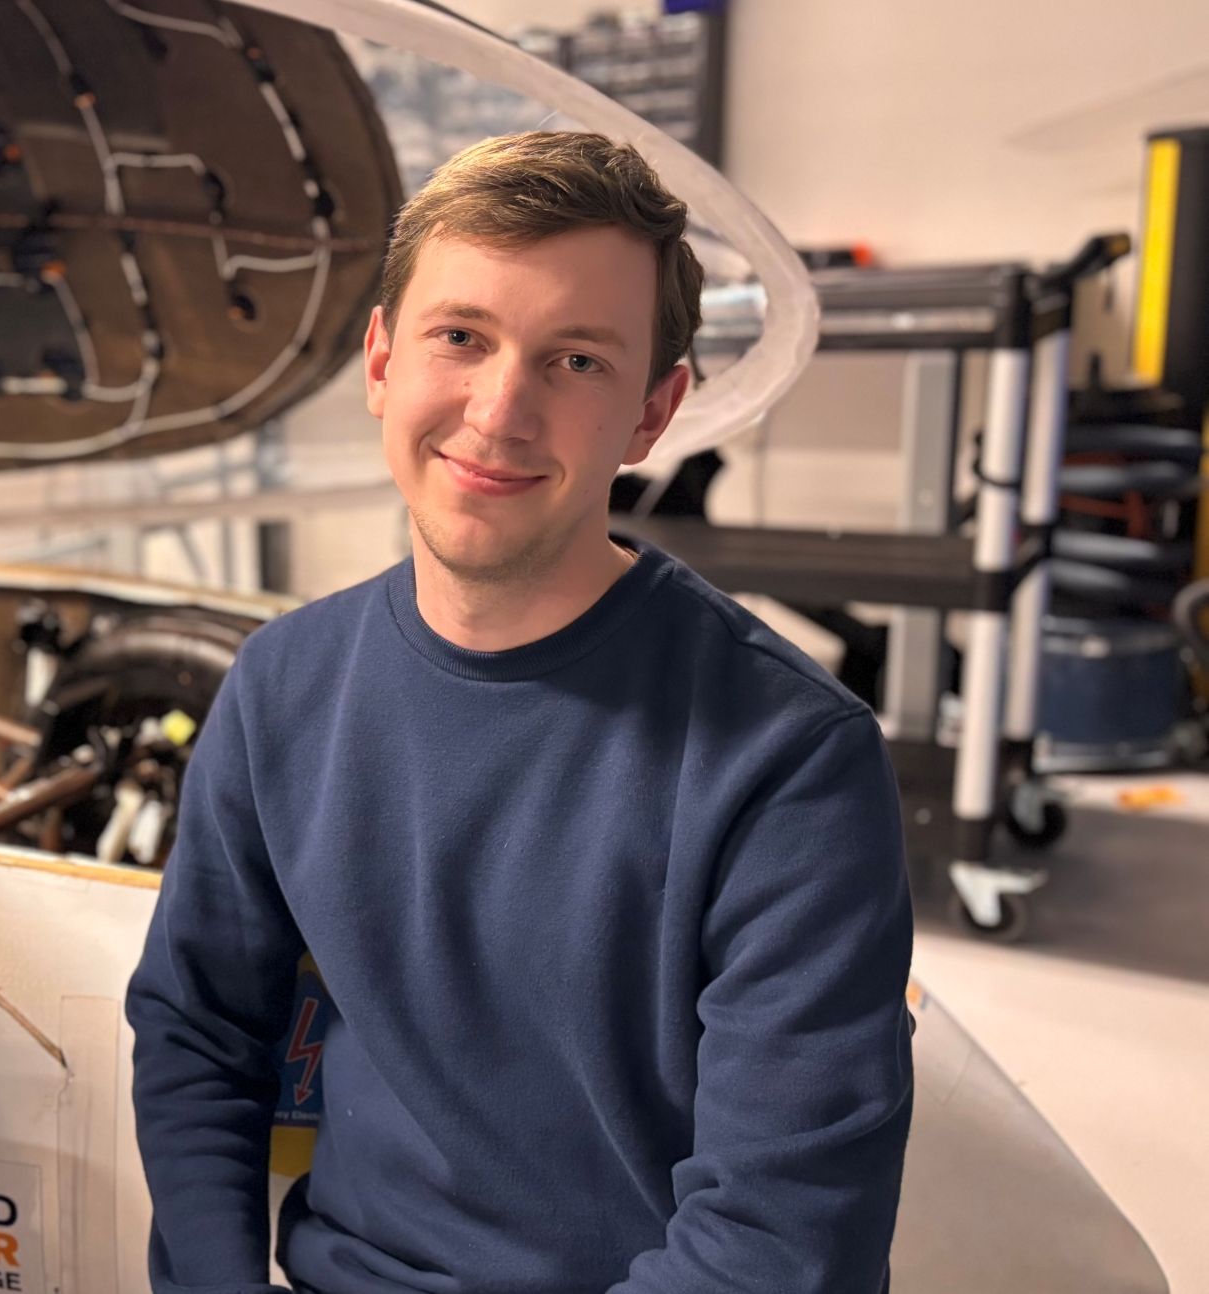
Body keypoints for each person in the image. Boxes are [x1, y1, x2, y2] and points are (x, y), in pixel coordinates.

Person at [126, 132, 914, 1293]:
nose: (498, 412)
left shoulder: (788, 759)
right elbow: (197, 1029)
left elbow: (780, 1236)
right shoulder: (280, 688)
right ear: (380, 360)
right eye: (461, 337)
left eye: (576, 361)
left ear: (654, 415)